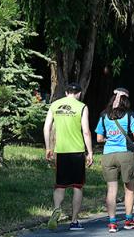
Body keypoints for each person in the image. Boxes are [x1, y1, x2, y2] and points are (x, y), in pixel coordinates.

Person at [43, 82, 94, 231]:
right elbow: (86, 131)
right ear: (78, 93)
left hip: (61, 150)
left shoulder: (54, 105)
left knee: (60, 185)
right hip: (77, 150)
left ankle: (57, 209)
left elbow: (46, 127)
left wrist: (48, 147)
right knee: (77, 186)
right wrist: (90, 152)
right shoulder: (82, 107)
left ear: (66, 93)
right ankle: (74, 221)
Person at [95, 88, 134, 232]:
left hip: (108, 155)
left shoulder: (104, 116)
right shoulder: (129, 115)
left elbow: (99, 138)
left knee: (111, 189)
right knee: (129, 188)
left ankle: (112, 223)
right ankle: (128, 220)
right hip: (126, 154)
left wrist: (110, 138)